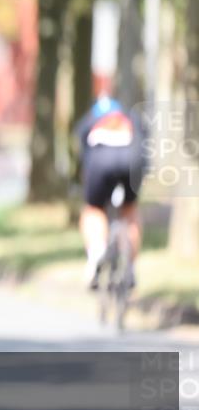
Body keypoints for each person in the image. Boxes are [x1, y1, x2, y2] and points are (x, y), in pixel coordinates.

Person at [73, 93, 146, 289]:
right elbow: (145, 145)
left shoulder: (89, 120)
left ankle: (97, 253)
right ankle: (130, 265)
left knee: (93, 209)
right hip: (131, 160)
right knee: (130, 210)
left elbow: (82, 154)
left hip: (100, 161)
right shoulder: (130, 117)